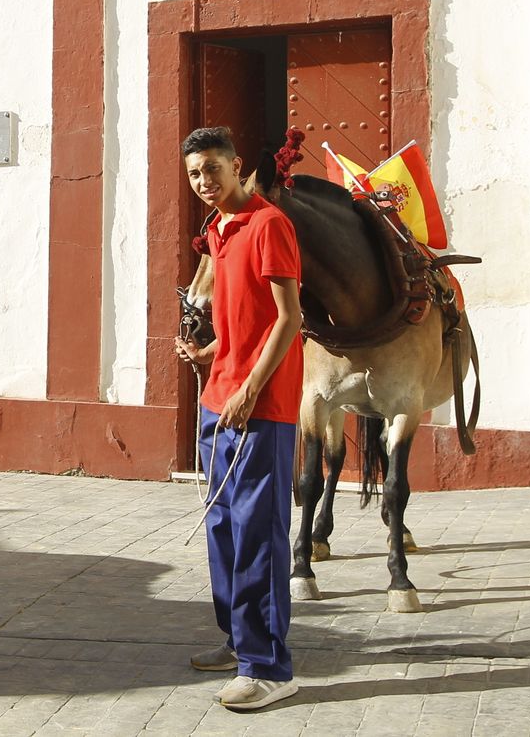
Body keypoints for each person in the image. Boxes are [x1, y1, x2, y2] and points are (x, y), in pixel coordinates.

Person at [175, 126, 304, 711]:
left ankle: (269, 667)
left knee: (258, 534)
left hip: (260, 407)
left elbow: (287, 318)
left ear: (235, 165)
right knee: (224, 529)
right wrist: (211, 352)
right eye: (194, 173)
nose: (204, 181)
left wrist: (251, 387)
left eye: (212, 168)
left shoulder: (268, 224)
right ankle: (238, 641)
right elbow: (242, 316)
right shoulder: (218, 229)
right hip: (217, 400)